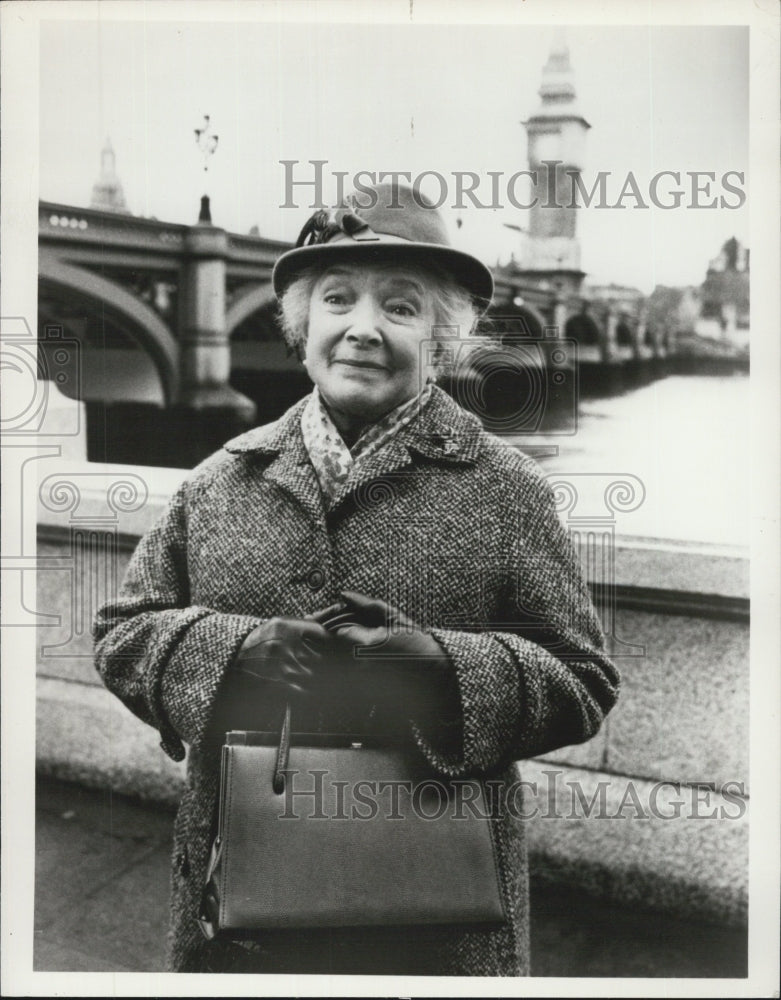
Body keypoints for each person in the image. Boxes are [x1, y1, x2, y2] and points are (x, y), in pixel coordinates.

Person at [93, 182, 619, 976]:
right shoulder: (217, 481)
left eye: (400, 307)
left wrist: (437, 666)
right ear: (302, 328)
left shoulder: (508, 490)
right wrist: (233, 652)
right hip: (236, 924)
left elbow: (583, 679)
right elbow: (122, 634)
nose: (361, 328)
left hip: (439, 934)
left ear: (440, 340)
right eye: (336, 299)